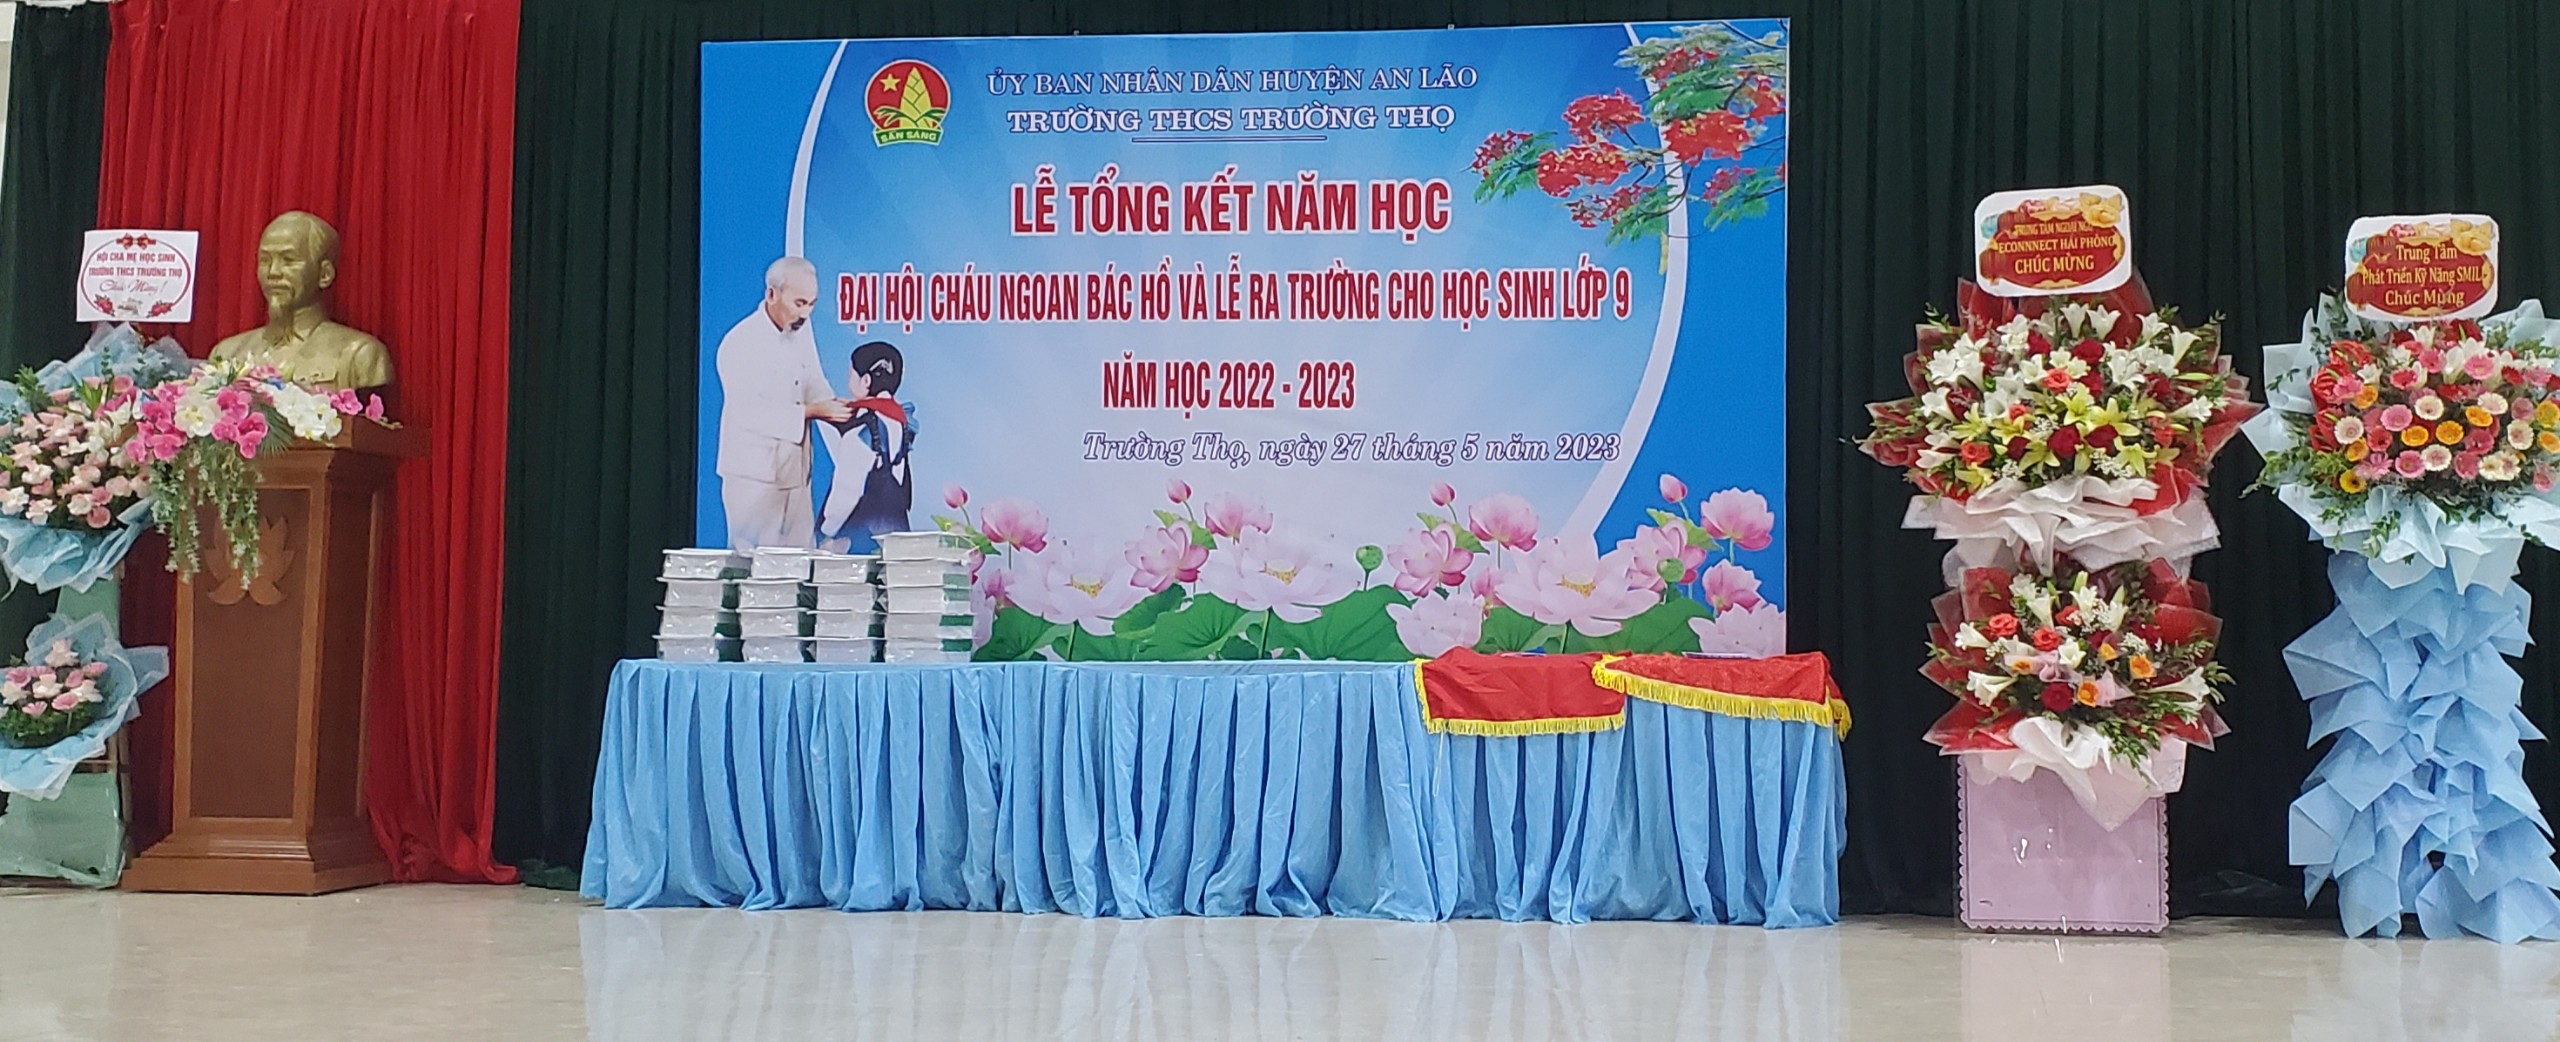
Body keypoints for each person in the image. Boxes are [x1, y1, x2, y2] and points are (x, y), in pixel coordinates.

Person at [715, 256, 850, 550]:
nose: (805, 313)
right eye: (799, 303)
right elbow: (749, 412)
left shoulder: (798, 333)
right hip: (754, 475)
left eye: (811, 304)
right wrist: (813, 411)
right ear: (772, 294)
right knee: (754, 561)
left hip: (795, 471)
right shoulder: (741, 342)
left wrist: (833, 406)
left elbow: (812, 379)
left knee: (799, 559)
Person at [817, 341, 916, 552]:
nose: (848, 380)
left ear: (866, 381)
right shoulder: (898, 420)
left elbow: (848, 489)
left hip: (862, 540)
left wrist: (827, 530)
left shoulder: (863, 428)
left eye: (851, 375)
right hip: (895, 535)